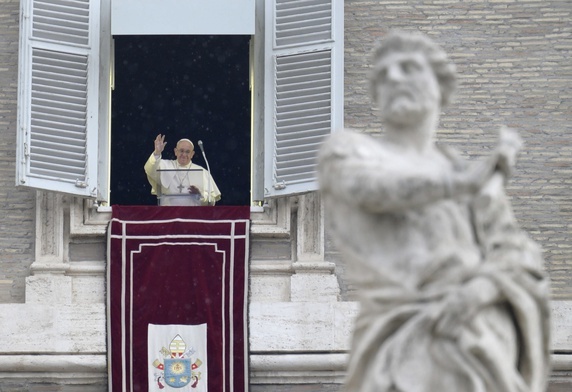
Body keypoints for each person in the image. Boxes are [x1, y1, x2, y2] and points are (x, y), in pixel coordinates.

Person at [318, 32, 550, 392]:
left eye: (408, 68)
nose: (393, 78)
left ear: (440, 86)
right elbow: (371, 190)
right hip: (402, 345)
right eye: (383, 75)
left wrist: (480, 291)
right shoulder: (351, 151)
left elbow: (518, 253)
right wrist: (462, 183)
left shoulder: (462, 171)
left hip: (484, 343)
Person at [144, 134, 221, 206]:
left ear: (192, 154)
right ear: (175, 151)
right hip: (168, 215)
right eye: (181, 151)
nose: (184, 155)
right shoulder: (165, 165)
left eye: (187, 152)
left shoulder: (202, 171)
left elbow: (211, 202)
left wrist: (200, 195)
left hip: (192, 216)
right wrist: (157, 153)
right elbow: (150, 170)